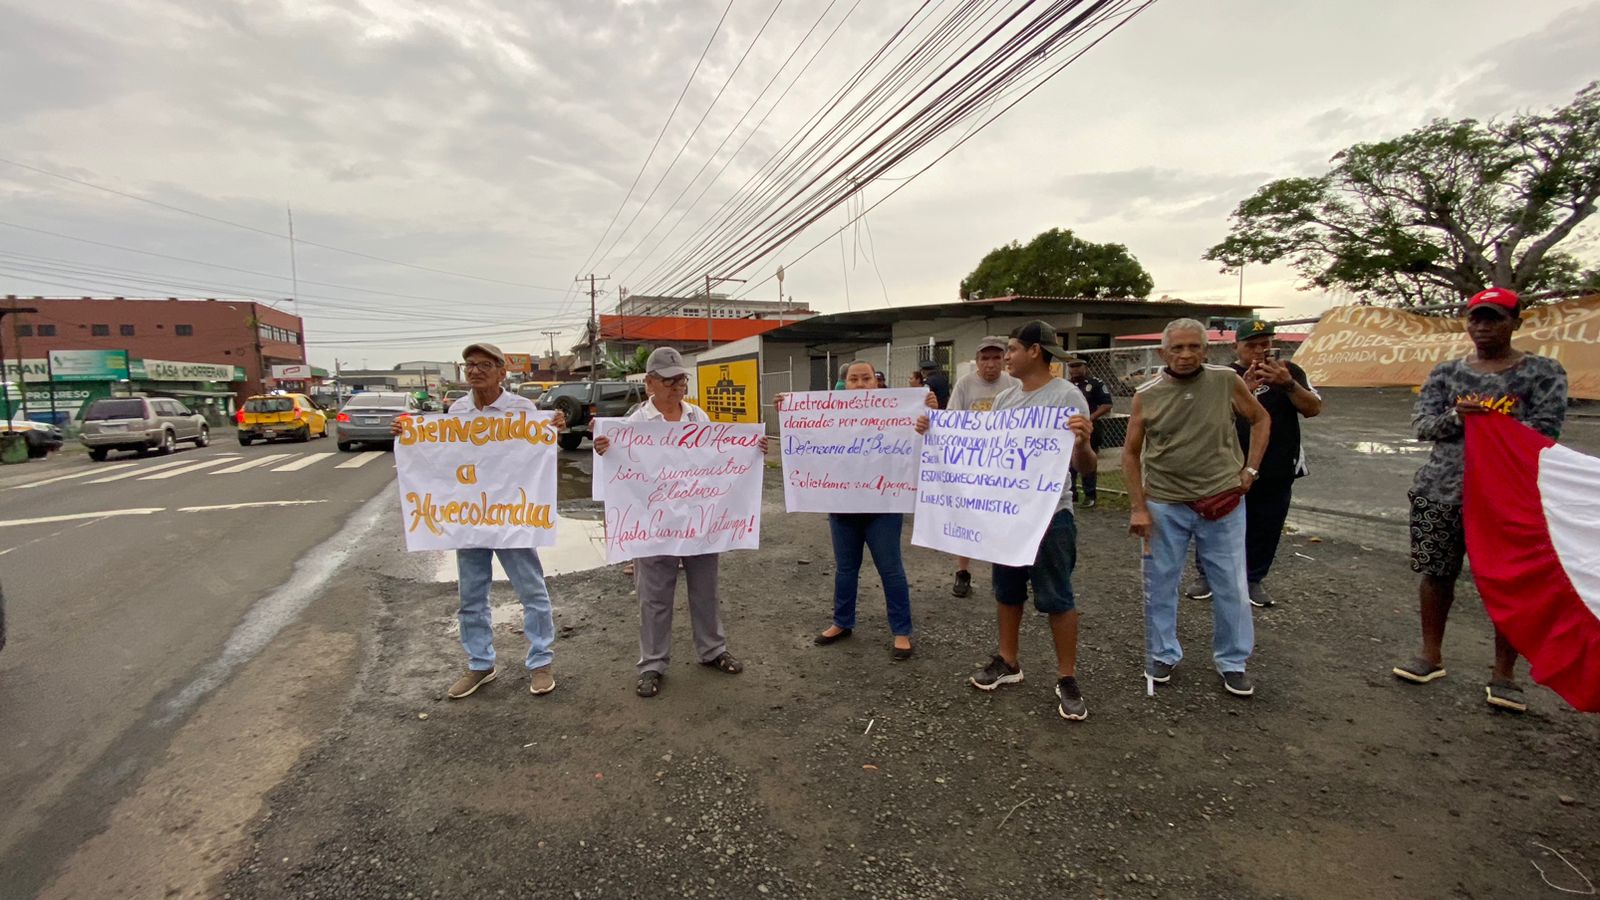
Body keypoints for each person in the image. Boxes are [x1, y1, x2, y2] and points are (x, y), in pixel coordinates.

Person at [1391, 288, 1567, 713]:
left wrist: (1494, 421)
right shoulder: (1448, 373)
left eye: (1494, 319)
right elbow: (1422, 425)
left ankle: (1504, 674)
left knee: (1510, 582)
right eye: (1476, 319)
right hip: (1442, 490)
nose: (1483, 327)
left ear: (1515, 323)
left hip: (1510, 498)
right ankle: (1430, 656)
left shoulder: (1543, 373)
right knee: (1436, 573)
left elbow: (1546, 432)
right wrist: (1456, 417)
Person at [919, 321, 1096, 721]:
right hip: (1008, 515)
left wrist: (1083, 443)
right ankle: (1008, 661)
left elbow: (1084, 466)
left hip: (1051, 516)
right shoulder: (1007, 400)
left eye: (1012, 349)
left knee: (1058, 597)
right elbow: (978, 450)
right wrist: (934, 430)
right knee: (1007, 591)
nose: (1006, 357)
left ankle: (1067, 677)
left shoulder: (1067, 398)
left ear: (1035, 351)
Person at [393, 343, 568, 700]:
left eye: (484, 365)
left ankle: (540, 662)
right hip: (470, 518)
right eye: (469, 365)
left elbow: (533, 453)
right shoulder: (456, 410)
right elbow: (441, 456)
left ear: (502, 372)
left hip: (511, 517)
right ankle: (480, 663)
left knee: (531, 592)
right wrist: (408, 435)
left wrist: (555, 426)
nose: (475, 371)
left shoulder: (522, 409)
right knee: (471, 596)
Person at [594, 347, 765, 699]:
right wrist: (604, 450)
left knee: (706, 590)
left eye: (681, 379)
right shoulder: (632, 425)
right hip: (654, 525)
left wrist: (753, 449)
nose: (677, 386)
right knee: (654, 597)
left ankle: (712, 650)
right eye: (669, 380)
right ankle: (653, 664)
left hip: (698, 523)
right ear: (650, 384)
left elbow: (721, 455)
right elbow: (616, 467)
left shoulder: (698, 417)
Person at [1123, 319, 1269, 699]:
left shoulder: (1225, 381)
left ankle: (1233, 661)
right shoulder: (1147, 394)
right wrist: (1138, 507)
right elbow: (1130, 453)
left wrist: (1250, 469)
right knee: (1160, 584)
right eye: (1177, 348)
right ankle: (1162, 654)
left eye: (1193, 347)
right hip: (1165, 505)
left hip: (1222, 501)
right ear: (1162, 353)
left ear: (1206, 350)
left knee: (1231, 585)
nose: (1185, 355)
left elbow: (1260, 418)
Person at [776, 362, 933, 661]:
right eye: (854, 379)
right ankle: (842, 622)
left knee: (891, 569)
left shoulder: (900, 411)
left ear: (876, 382)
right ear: (844, 384)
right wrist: (787, 408)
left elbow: (928, 437)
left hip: (883, 506)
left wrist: (931, 412)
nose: (860, 384)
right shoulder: (830, 413)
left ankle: (901, 631)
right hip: (843, 506)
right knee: (846, 569)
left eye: (866, 378)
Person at [1185, 321, 1322, 608]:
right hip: (1226, 466)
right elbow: (1206, 419)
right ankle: (1207, 576)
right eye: (1251, 345)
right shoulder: (1222, 376)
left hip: (1278, 464)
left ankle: (1252, 579)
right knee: (1213, 519)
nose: (1259, 351)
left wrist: (1287, 384)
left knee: (1267, 524)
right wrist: (1243, 391)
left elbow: (1312, 408)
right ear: (1236, 346)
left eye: (1265, 343)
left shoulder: (1289, 372)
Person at [945, 336, 1021, 598]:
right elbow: (952, 418)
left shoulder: (1014, 384)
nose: (990, 363)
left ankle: (1005, 570)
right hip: (972, 462)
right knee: (967, 518)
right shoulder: (965, 384)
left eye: (996, 357)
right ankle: (963, 571)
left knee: (1004, 516)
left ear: (1004, 360)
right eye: (985, 358)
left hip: (1004, 463)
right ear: (977, 362)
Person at [1065, 358, 1114, 508]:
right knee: (1068, 464)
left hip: (1089, 428)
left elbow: (1107, 405)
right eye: (1072, 367)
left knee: (1086, 461)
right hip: (1068, 430)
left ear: (1085, 367)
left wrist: (1090, 417)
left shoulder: (1095, 384)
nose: (1075, 370)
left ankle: (1090, 495)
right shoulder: (1066, 385)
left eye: (1078, 366)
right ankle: (1071, 493)